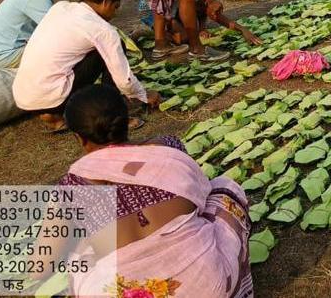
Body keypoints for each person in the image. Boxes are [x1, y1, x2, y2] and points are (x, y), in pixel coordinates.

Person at [57, 85, 253, 298]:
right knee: (224, 189)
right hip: (206, 288)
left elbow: (39, 267)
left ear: (79, 138)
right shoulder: (167, 148)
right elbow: (200, 194)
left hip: (117, 291)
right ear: (126, 118)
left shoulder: (71, 187)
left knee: (80, 253)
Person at [12, 0, 160, 132]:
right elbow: (124, 80)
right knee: (109, 51)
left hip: (24, 96)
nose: (114, 14)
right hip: (52, 96)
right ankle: (110, 115)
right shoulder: (102, 29)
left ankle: (52, 115)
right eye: (115, 7)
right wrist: (143, 94)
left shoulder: (60, 8)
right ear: (106, 1)